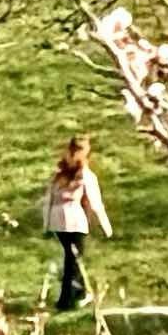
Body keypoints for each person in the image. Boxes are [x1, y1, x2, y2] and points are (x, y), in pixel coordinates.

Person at [40, 136, 108, 319]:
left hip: (56, 219)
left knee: (71, 257)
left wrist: (46, 225)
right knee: (74, 259)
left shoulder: (59, 173)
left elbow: (49, 199)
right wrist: (106, 226)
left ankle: (79, 292)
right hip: (73, 218)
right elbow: (95, 202)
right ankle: (67, 299)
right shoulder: (84, 173)